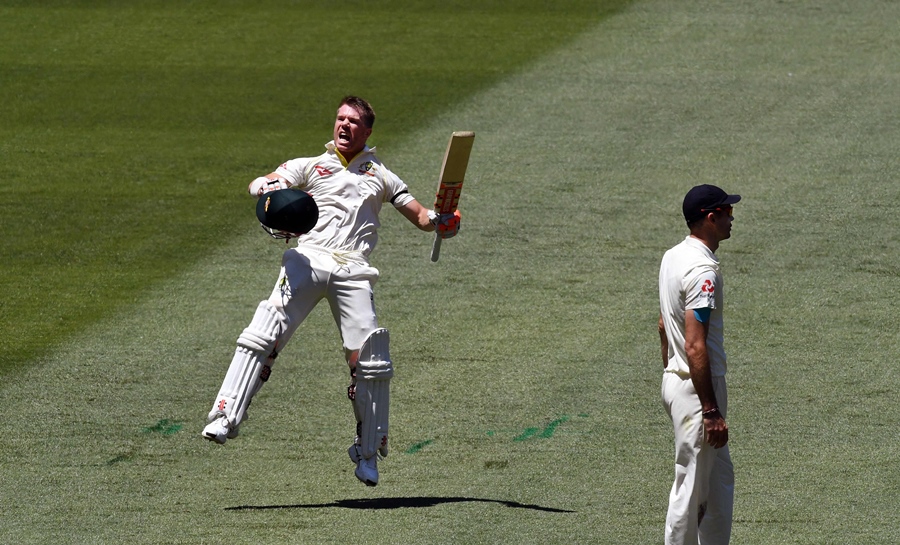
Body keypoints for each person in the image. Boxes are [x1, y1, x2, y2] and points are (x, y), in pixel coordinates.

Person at [202, 96, 461, 487]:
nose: (344, 126)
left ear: (367, 131)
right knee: (263, 333)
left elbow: (423, 216)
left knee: (370, 362)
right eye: (340, 118)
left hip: (354, 270)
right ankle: (226, 415)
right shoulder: (310, 165)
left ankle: (368, 451)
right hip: (308, 259)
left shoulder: (382, 175)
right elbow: (270, 181)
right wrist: (265, 186)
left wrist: (444, 223)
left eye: (353, 121)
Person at [657, 184, 741, 544]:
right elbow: (695, 343)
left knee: (718, 482)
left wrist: (669, 367)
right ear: (711, 218)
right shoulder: (702, 271)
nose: (732, 219)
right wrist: (710, 409)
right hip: (698, 389)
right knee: (690, 488)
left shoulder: (672, 256)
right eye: (727, 212)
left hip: (681, 379)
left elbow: (664, 324)